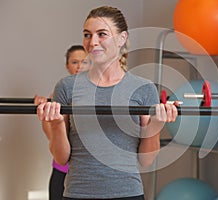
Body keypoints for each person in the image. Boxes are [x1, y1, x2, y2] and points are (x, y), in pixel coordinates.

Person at [36, 6, 178, 200]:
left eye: (101, 34)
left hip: (128, 193)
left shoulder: (143, 89)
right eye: (87, 35)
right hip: (78, 193)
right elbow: (61, 158)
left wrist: (157, 124)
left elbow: (146, 160)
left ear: (122, 38)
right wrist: (57, 123)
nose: (92, 42)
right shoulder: (67, 87)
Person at [34, 45, 89, 200]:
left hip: (87, 173)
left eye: (84, 62)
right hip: (62, 169)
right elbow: (51, 136)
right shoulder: (59, 95)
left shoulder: (99, 93)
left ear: (91, 64)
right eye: (74, 62)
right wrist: (43, 111)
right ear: (67, 66)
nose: (80, 67)